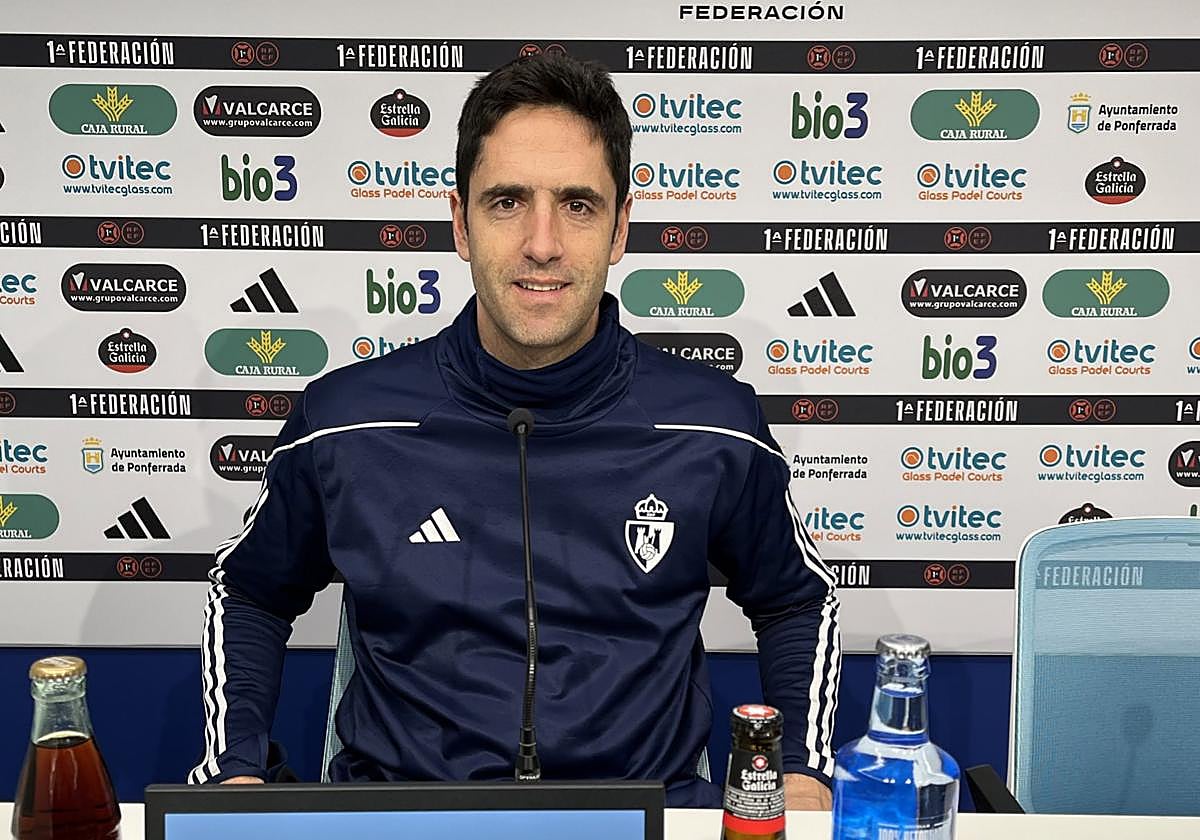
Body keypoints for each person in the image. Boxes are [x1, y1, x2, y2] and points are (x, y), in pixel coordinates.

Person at [190, 53, 840, 810]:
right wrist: (233, 773)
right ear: (460, 223)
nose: (542, 243)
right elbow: (250, 590)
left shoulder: (712, 424)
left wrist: (799, 769)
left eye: (578, 204)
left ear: (621, 226)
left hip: (645, 815)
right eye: (506, 202)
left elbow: (798, 599)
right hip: (404, 819)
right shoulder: (346, 422)